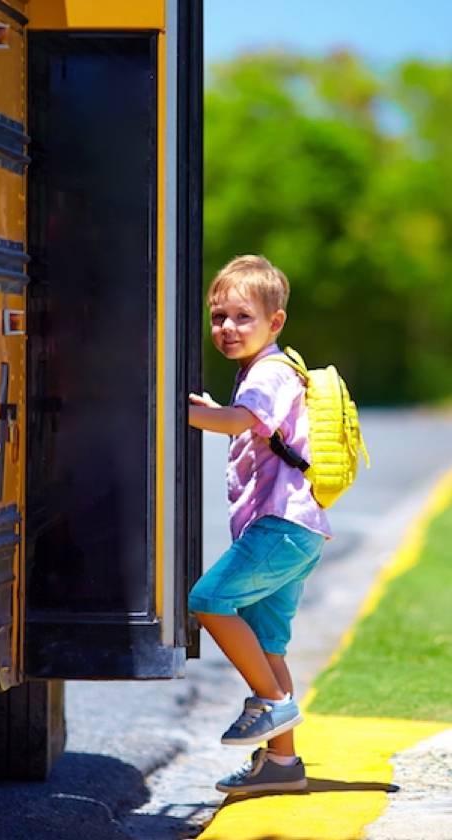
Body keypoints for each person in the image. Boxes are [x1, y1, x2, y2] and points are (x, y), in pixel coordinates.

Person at [188, 254, 332, 794]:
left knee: (207, 599)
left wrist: (173, 409)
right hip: (293, 531)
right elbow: (248, 429)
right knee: (269, 645)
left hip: (281, 527)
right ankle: (282, 765)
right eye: (218, 317)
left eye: (241, 317)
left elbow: (240, 421)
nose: (227, 328)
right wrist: (211, 409)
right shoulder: (264, 371)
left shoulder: (269, 371)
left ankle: (272, 705)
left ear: (275, 322)